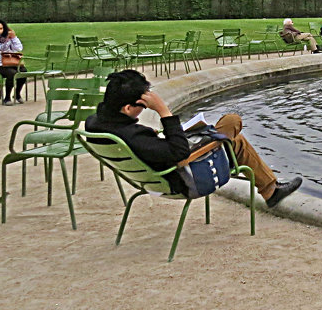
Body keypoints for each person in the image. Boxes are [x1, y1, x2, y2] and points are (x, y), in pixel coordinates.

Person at [85, 69, 302, 208]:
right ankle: (270, 190)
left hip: (160, 166)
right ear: (127, 107)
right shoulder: (131, 135)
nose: (145, 109)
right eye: (142, 106)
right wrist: (164, 112)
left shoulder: (96, 122)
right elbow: (179, 155)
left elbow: (155, 148)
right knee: (233, 128)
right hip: (183, 177)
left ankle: (270, 188)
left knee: (223, 128)